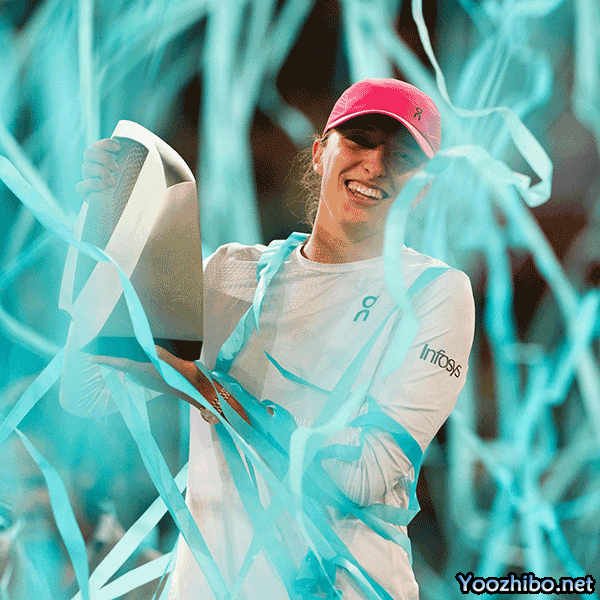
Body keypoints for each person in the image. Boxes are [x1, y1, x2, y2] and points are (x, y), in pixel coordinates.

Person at [60, 78, 475, 599]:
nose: (376, 164)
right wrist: (106, 236)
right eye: (360, 140)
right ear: (321, 153)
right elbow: (86, 393)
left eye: (403, 157)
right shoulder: (229, 272)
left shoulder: (433, 292)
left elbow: (369, 473)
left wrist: (204, 390)